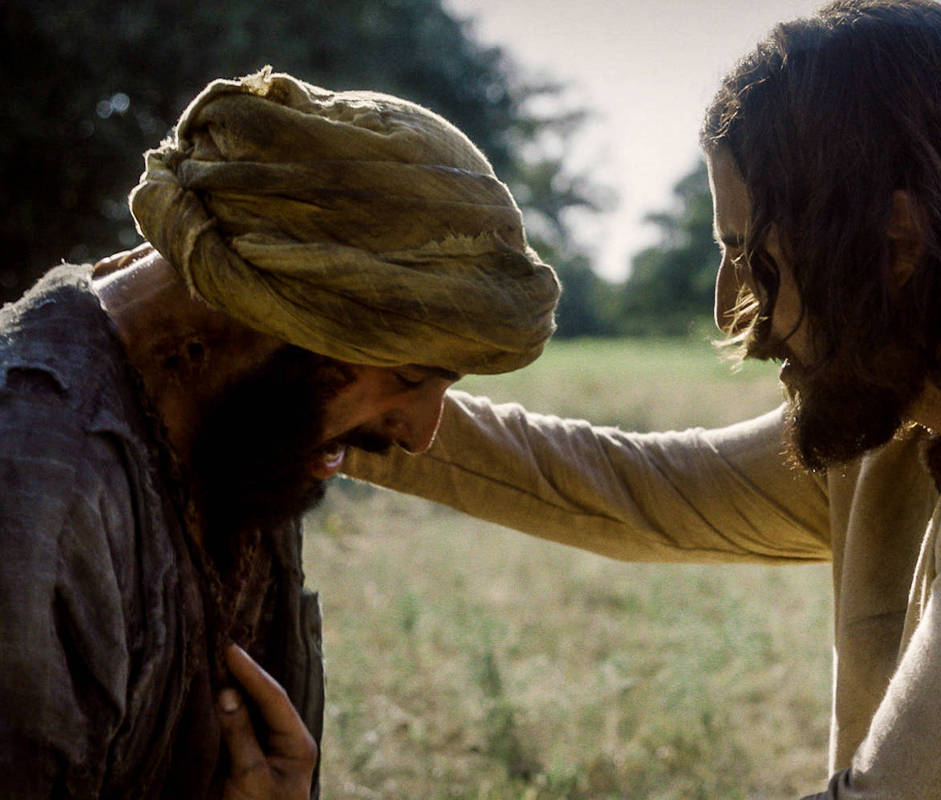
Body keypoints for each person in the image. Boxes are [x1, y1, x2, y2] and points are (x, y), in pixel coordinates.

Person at [344, 1, 941, 798]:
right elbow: (645, 491)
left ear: (896, 244)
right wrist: (354, 397)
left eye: (754, 260)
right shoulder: (929, 404)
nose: (732, 314)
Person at [0, 67, 559, 798]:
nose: (420, 435)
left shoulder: (236, 424)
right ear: (266, 313)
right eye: (410, 375)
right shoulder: (35, 488)